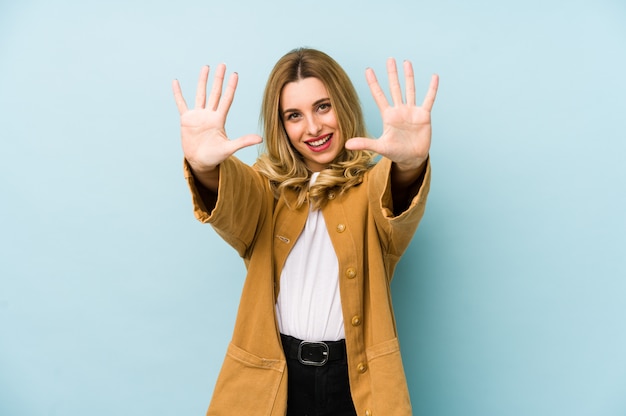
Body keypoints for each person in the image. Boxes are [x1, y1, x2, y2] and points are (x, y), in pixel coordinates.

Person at [172, 47, 438, 416]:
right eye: (294, 115)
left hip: (354, 380)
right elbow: (235, 200)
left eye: (323, 107)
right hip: (277, 378)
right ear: (281, 126)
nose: (312, 127)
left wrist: (409, 164)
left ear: (343, 105)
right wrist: (205, 168)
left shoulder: (369, 187)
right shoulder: (266, 193)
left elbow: (393, 198)